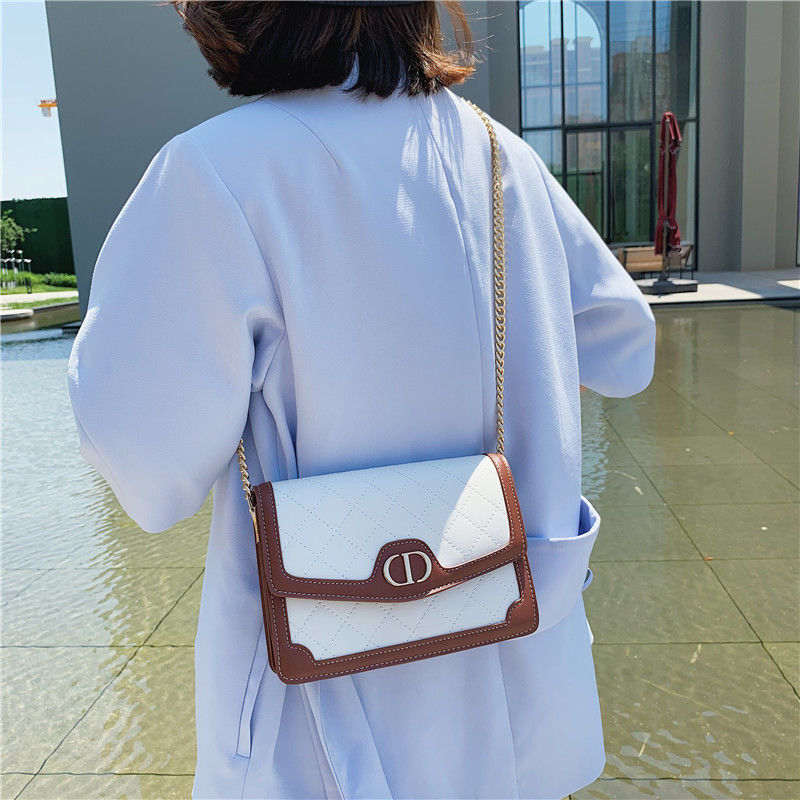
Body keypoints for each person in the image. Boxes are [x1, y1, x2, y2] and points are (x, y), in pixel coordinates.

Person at [67, 2, 656, 798]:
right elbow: (625, 348)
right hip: (524, 699)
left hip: (328, 727)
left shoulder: (212, 175)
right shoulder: (500, 155)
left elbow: (148, 474)